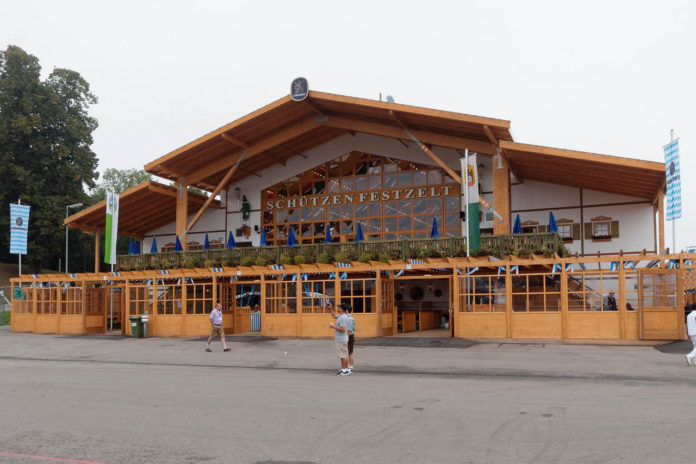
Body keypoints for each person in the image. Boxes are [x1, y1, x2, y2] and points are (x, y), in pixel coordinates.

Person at [328, 303, 350, 375]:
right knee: (343, 355)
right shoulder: (341, 316)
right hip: (342, 339)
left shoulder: (343, 317)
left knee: (343, 355)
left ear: (342, 309)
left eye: (339, 307)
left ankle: (344, 370)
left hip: (341, 339)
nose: (337, 308)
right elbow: (334, 316)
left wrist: (333, 326)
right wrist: (331, 308)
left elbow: (343, 329)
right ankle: (345, 369)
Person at [345, 304, 356, 372]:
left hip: (349, 336)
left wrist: (346, 339)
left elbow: (349, 331)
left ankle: (350, 366)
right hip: (349, 336)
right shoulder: (348, 318)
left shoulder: (349, 319)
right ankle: (349, 366)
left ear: (346, 311)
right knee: (349, 351)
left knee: (350, 352)